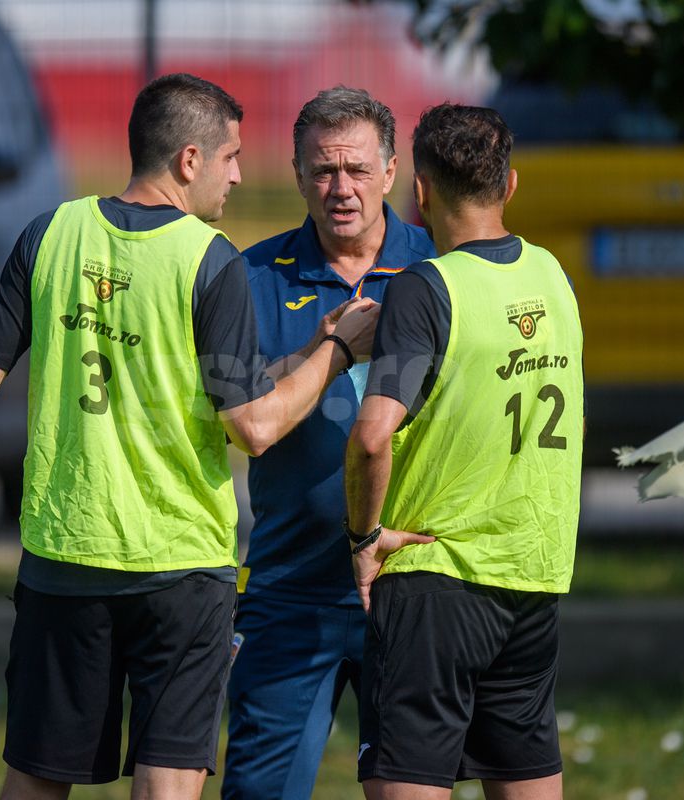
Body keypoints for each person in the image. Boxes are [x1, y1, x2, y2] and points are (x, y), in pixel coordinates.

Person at [0, 73, 376, 800]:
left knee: (35, 779)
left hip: (64, 561)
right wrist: (337, 352)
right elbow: (253, 426)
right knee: (168, 785)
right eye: (230, 157)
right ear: (189, 161)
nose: (237, 174)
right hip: (180, 573)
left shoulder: (49, 235)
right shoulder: (210, 260)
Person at [345, 103, 584, 800]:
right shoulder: (554, 279)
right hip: (532, 582)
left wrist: (363, 537)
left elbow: (371, 435)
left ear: (417, 192)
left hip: (434, 586)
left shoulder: (426, 288)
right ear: (510, 185)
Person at [223, 86, 434, 800]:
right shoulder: (249, 278)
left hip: (413, 585)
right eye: (321, 170)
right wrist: (324, 355)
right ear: (295, 172)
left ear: (391, 170)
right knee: (259, 791)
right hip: (291, 589)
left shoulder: (440, 270)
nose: (339, 189)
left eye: (355, 169)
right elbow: (236, 416)